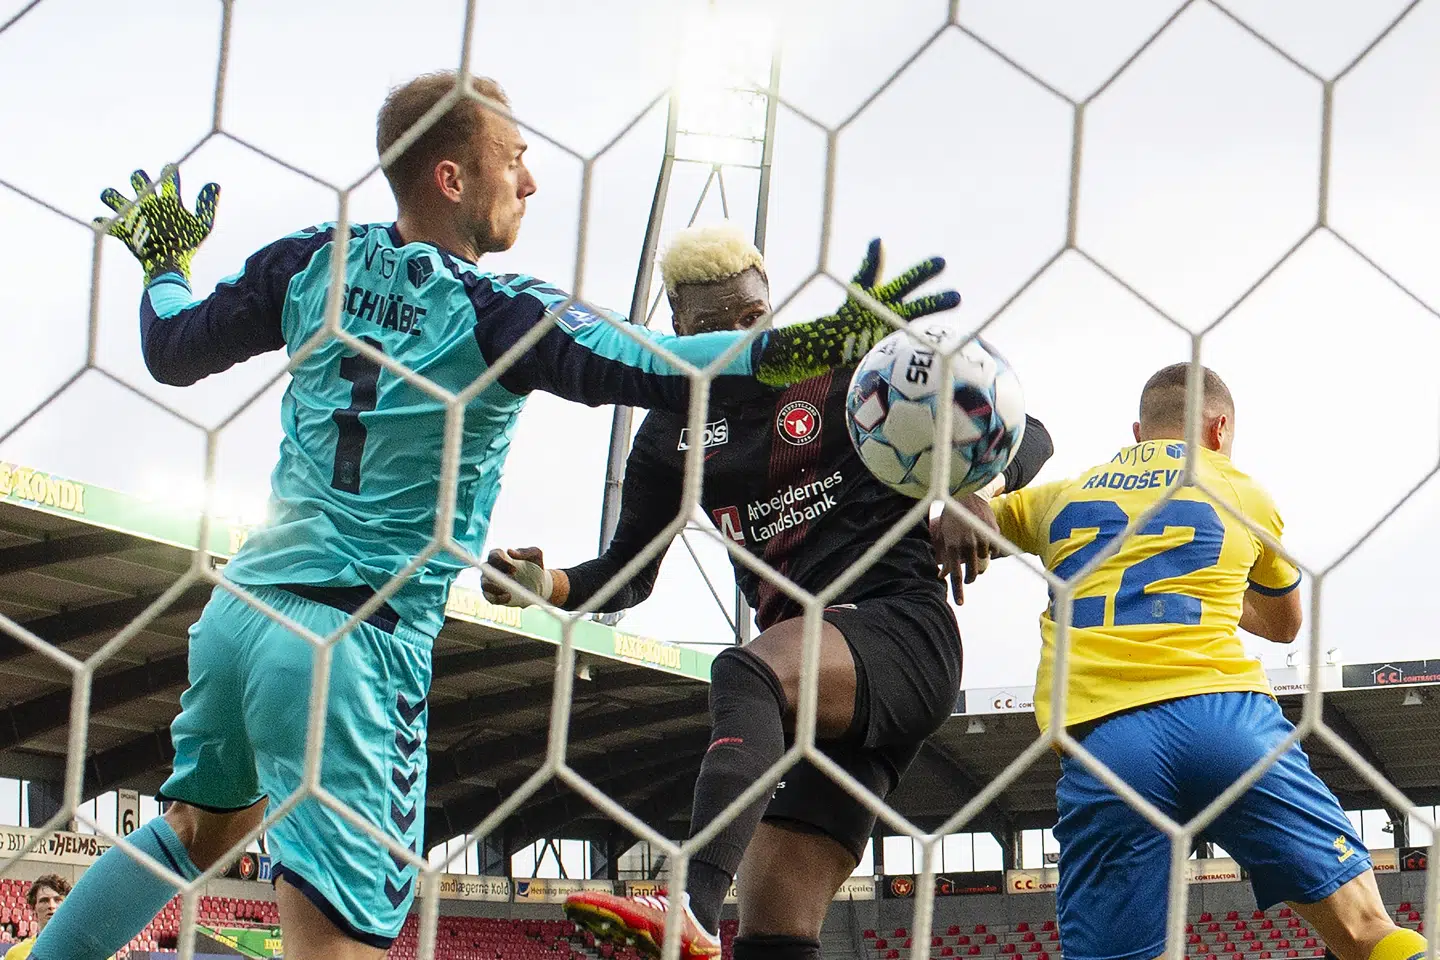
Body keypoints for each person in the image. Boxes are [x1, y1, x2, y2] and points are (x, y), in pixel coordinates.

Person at [32, 76, 963, 960]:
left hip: (242, 613)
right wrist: (810, 342)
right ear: (451, 177)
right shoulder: (495, 310)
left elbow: (173, 348)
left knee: (198, 829)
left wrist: (162, 264)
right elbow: (653, 363)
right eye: (512, 159)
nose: (529, 180)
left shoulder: (312, 258)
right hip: (350, 646)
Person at [482, 223, 1054, 960]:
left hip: (896, 634)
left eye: (753, 316)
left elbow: (1028, 430)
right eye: (712, 327)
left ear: (770, 304)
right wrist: (547, 584)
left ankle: (688, 904)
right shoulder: (670, 433)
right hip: (807, 697)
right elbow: (629, 573)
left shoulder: (850, 370)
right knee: (774, 934)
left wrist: (980, 496)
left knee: (745, 670)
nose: (740, 335)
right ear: (678, 331)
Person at [978, 362, 1425, 960]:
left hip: (1106, 742)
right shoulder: (1241, 491)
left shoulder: (1061, 496)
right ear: (1219, 430)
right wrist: (1192, 588)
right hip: (1229, 723)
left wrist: (974, 496)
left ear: (1137, 433)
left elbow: (970, 520)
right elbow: (1284, 625)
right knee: (1367, 930)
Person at [4, 876, 70, 960]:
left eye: (57, 900)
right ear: (34, 907)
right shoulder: (15, 954)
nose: (51, 906)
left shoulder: (80, 950)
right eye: (44, 900)